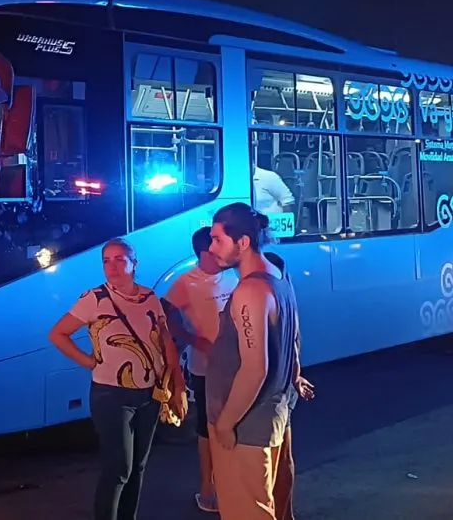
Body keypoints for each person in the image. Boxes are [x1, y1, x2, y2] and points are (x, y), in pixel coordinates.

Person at [49, 237, 185, 520]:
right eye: (106, 260)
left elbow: (165, 340)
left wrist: (174, 380)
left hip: (150, 394)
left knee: (138, 467)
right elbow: (58, 333)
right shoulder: (94, 299)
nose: (111, 266)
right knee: (118, 469)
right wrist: (88, 362)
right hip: (111, 395)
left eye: (119, 259)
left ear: (134, 264)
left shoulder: (149, 297)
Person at [205, 203, 300, 519]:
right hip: (270, 418)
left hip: (246, 428)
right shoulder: (277, 277)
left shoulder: (250, 291)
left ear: (242, 242)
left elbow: (255, 368)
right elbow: (295, 339)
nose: (211, 247)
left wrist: (225, 423)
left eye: (218, 240)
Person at [164, 227, 240, 514]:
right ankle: (208, 488)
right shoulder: (186, 282)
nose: (223, 250)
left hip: (236, 366)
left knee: (234, 424)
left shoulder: (232, 276)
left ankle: (231, 484)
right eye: (217, 244)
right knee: (207, 430)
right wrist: (192, 339)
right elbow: (164, 316)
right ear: (204, 251)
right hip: (204, 370)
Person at [262, 251, 315, 520]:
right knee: (283, 456)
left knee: (273, 462)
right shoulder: (287, 298)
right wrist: (295, 377)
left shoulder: (269, 301)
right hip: (285, 388)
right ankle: (286, 514)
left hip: (272, 393)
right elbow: (294, 346)